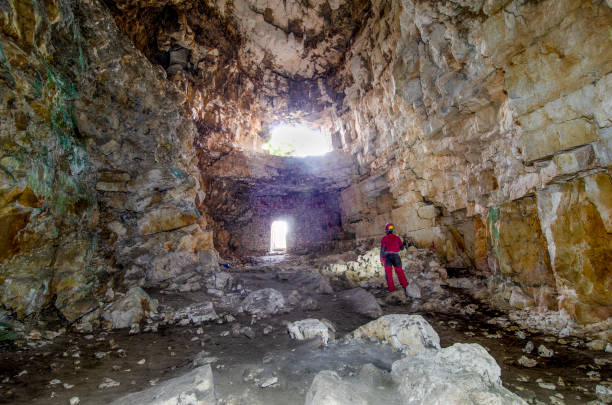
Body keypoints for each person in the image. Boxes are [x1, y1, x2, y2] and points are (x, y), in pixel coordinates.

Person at [380, 223, 409, 294]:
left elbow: (383, 249)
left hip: (387, 257)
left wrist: (381, 258)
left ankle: (392, 290)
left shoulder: (384, 238)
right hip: (396, 256)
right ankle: (405, 286)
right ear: (392, 230)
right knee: (400, 271)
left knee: (389, 274)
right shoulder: (397, 238)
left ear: (386, 230)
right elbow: (402, 248)